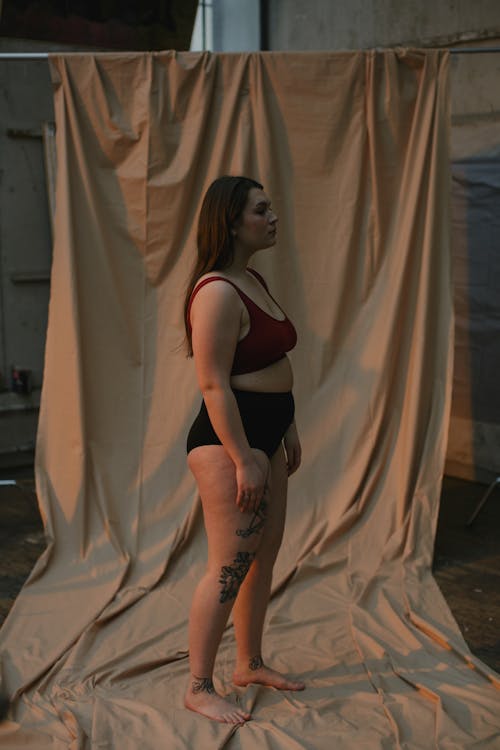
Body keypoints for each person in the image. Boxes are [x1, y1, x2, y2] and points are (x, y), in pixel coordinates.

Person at [183, 175, 304, 725]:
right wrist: (243, 457)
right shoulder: (215, 292)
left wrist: (288, 430)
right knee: (230, 564)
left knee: (264, 555)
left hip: (268, 435)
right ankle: (198, 685)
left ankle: (248, 664)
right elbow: (213, 385)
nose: (273, 216)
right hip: (229, 442)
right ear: (231, 221)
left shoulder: (249, 278)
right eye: (261, 209)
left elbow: (274, 364)